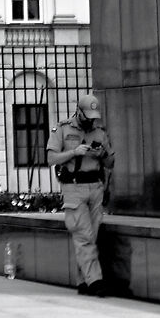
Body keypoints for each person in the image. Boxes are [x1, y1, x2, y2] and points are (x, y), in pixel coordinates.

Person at [49, 93, 116, 296]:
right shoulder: (62, 129)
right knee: (84, 236)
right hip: (74, 188)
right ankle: (95, 281)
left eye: (93, 117)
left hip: (95, 187)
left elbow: (111, 163)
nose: (90, 120)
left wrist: (102, 154)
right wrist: (73, 153)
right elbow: (51, 158)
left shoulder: (99, 132)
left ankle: (83, 281)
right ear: (78, 111)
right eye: (87, 116)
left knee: (92, 237)